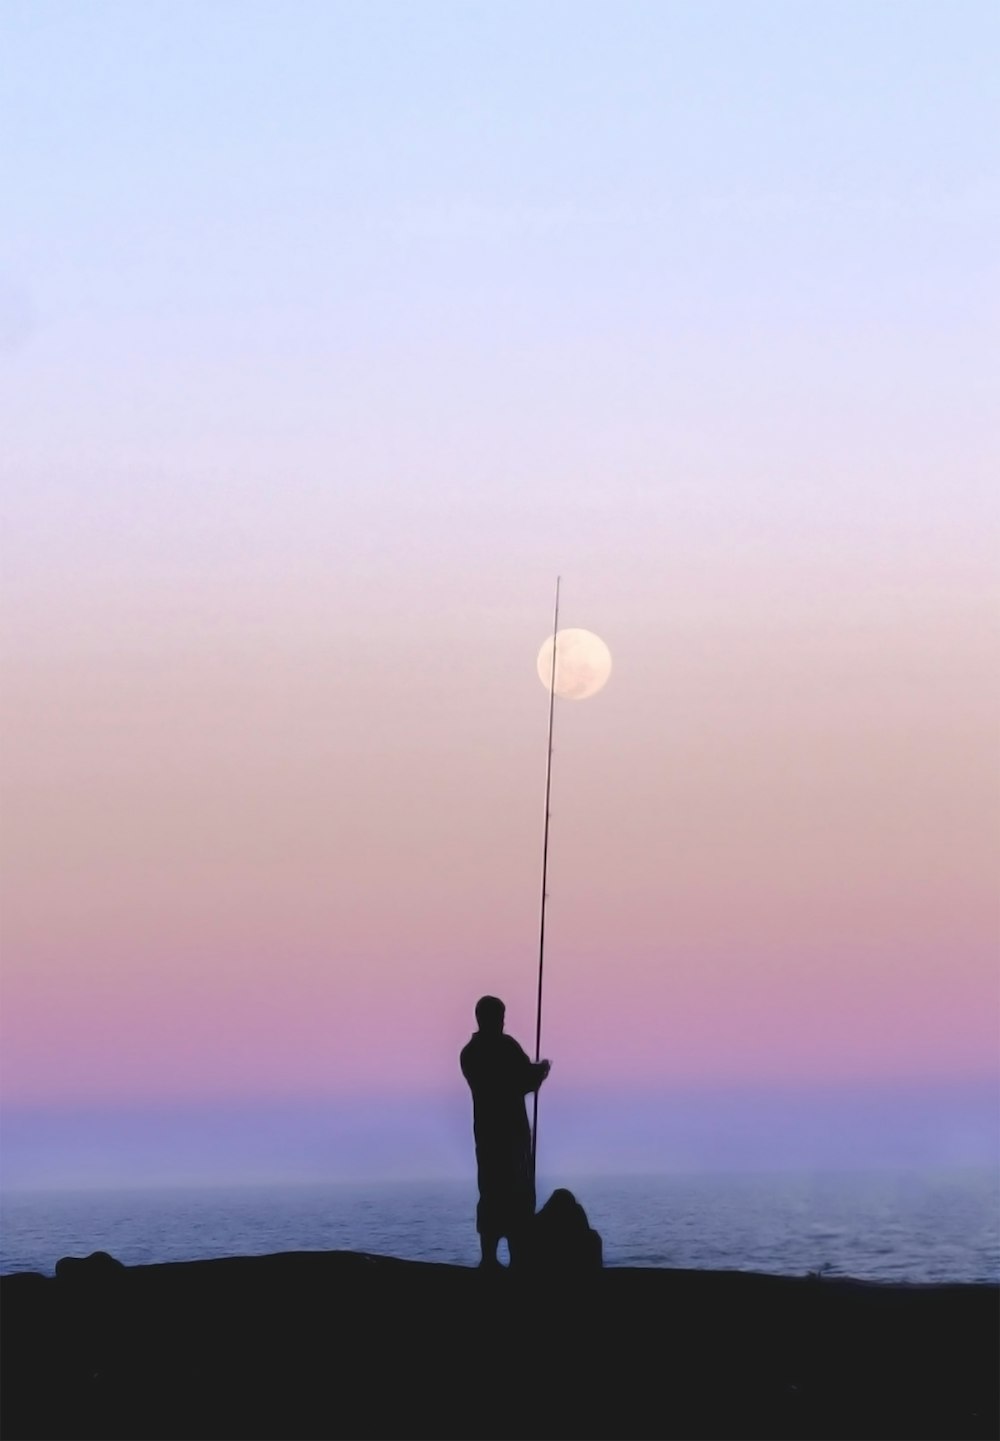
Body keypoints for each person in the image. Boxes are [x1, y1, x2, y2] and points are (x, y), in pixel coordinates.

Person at [459, 995, 551, 1268]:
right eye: (500, 1016)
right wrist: (542, 1071)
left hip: (486, 1137)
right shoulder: (505, 1047)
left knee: (490, 1191)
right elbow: (523, 1080)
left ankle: (488, 1257)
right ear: (494, 1018)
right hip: (511, 1136)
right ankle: (516, 1260)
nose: (502, 1021)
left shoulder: (469, 1053)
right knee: (516, 1194)